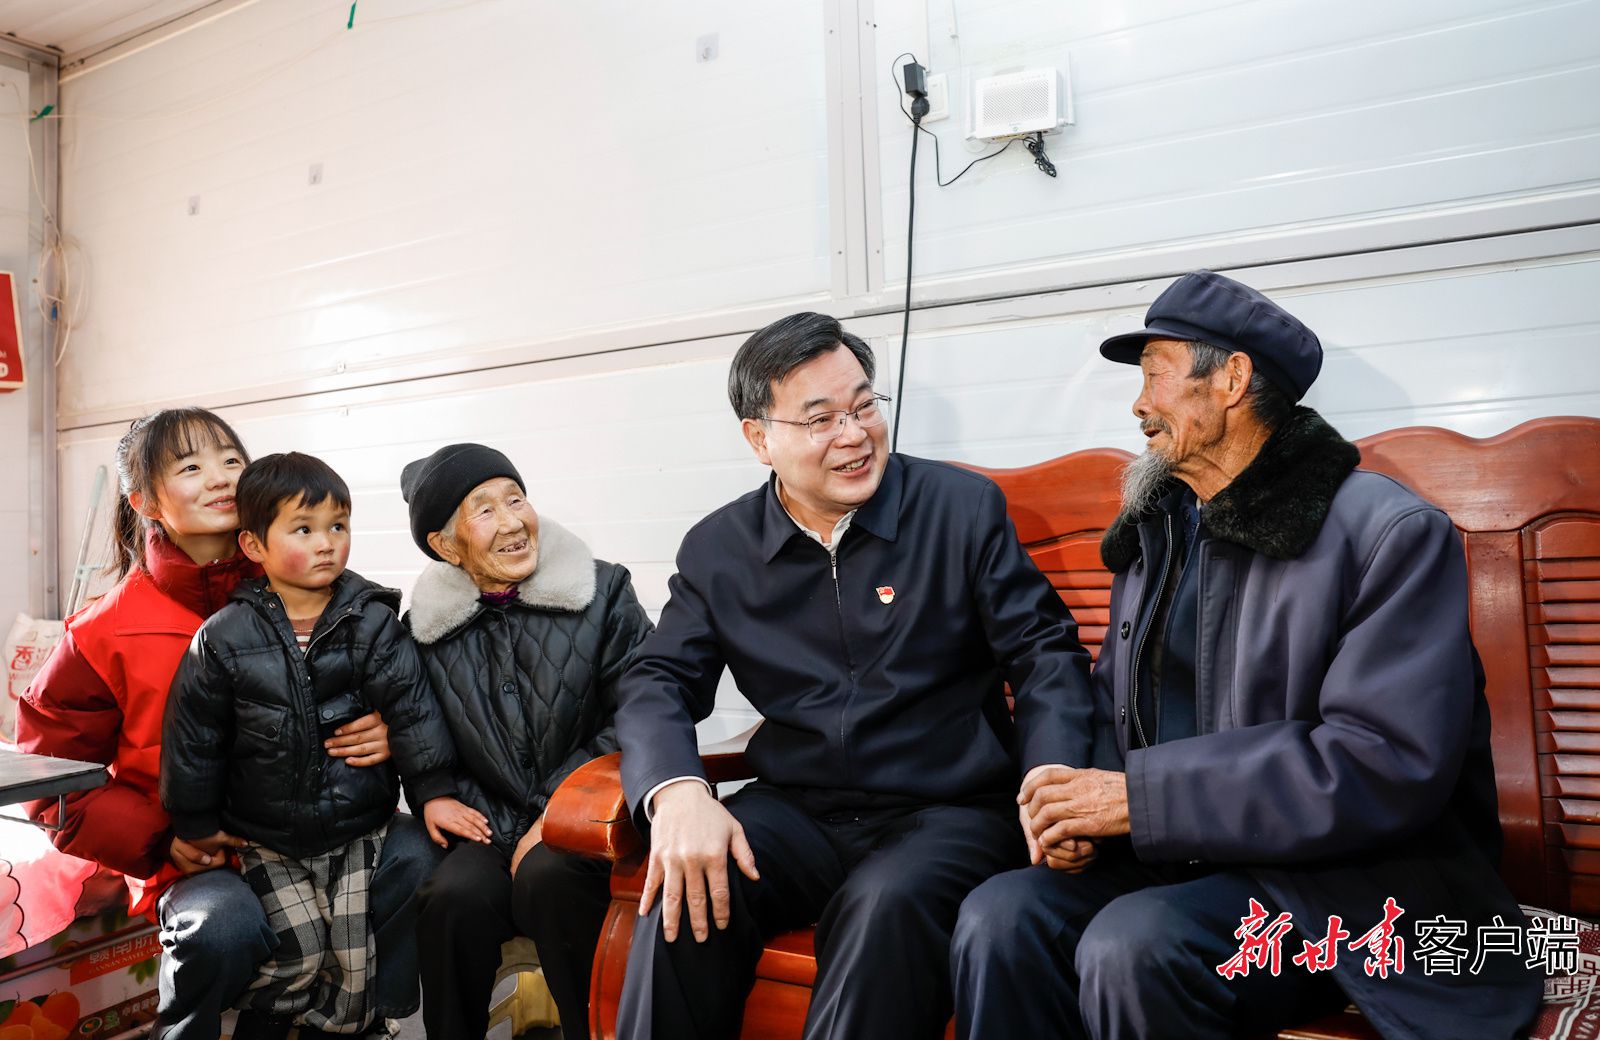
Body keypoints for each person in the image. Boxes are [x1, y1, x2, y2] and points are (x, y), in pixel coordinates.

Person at [950, 271, 1544, 1039]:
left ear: (1232, 380)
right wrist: (1075, 810)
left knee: (1136, 945)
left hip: (1353, 891)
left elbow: (1383, 761)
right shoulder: (1161, 530)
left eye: (1156, 376)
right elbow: (1109, 705)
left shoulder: (1388, 533)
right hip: (1184, 861)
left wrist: (1140, 801)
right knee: (1000, 917)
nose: (1139, 406)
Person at [611, 311, 1097, 1039]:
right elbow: (656, 680)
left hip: (950, 809)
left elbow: (1044, 653)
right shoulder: (720, 549)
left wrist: (1054, 779)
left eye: (864, 406)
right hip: (800, 809)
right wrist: (676, 791)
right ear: (759, 438)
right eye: (820, 419)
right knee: (686, 884)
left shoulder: (958, 509)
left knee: (885, 907)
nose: (854, 435)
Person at [16, 409, 439, 1040]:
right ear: (144, 502)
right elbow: (51, 783)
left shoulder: (313, 581)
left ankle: (356, 1021)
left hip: (329, 831)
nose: (220, 478)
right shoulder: (102, 633)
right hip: (204, 858)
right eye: (191, 467)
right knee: (223, 926)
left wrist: (388, 731)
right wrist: (163, 839)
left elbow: (404, 689)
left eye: (231, 460)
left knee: (418, 856)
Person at [161, 452, 487, 1039]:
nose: (326, 544)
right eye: (304, 530)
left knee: (354, 959)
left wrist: (435, 790)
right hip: (268, 839)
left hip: (359, 829)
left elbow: (413, 709)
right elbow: (195, 739)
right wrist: (194, 821)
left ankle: (342, 1031)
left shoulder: (372, 622)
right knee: (302, 949)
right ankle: (267, 1023)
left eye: (338, 526)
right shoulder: (224, 637)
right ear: (254, 545)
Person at [401, 443, 653, 1040]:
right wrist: (438, 795)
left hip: (593, 818)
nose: (514, 523)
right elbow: (420, 733)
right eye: (485, 510)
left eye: (516, 499)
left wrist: (557, 812)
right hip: (491, 823)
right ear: (446, 546)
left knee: (549, 879)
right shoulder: (423, 631)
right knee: (452, 897)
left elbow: (644, 710)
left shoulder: (603, 592)